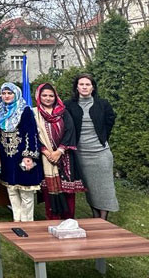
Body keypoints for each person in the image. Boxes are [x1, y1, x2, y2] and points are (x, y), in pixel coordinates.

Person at [64, 73, 118, 220]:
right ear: (77, 87)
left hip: (101, 153)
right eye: (81, 84)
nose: (84, 87)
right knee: (91, 189)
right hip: (81, 154)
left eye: (87, 84)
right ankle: (95, 216)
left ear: (93, 87)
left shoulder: (103, 104)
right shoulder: (69, 105)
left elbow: (110, 121)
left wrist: (103, 138)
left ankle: (103, 219)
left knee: (105, 188)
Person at [34, 83, 86, 220]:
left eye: (51, 96)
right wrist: (46, 151)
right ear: (39, 96)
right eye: (44, 95)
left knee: (67, 191)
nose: (48, 98)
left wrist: (59, 151)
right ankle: (53, 220)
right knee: (48, 192)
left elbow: (70, 131)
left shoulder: (63, 112)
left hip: (65, 157)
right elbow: (32, 134)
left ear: (55, 97)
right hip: (46, 159)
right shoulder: (34, 113)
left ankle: (69, 220)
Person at [0, 82, 42, 222]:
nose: (6, 96)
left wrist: (29, 156)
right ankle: (17, 219)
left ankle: (28, 221)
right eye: (4, 93)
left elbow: (32, 133)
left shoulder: (24, 110)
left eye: (10, 93)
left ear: (16, 94)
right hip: (6, 157)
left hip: (22, 155)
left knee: (26, 190)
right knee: (11, 189)